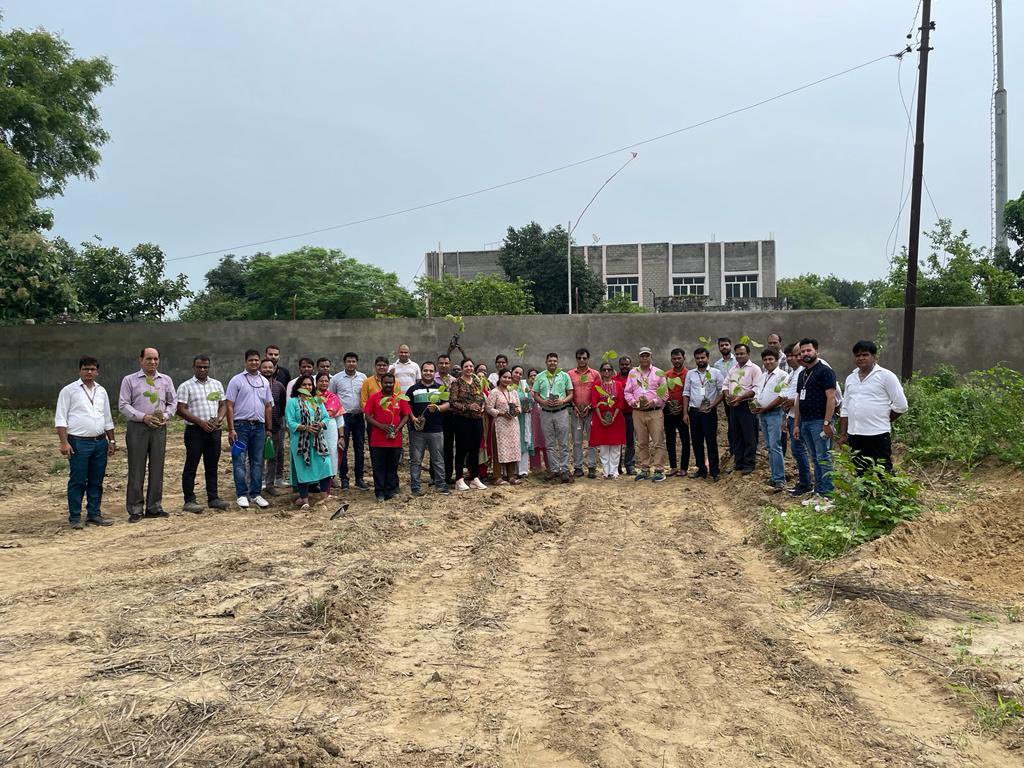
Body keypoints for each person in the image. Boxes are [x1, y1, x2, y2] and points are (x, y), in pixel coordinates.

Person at [55, 356, 117, 529]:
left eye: (92, 369)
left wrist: (111, 440)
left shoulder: (101, 391)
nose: (89, 372)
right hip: (78, 443)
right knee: (78, 480)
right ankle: (75, 517)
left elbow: (107, 418)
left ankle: (94, 514)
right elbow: (60, 418)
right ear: (79, 370)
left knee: (96, 481)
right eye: (85, 369)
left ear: (97, 371)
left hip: (99, 442)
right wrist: (64, 442)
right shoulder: (69, 390)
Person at [119, 347, 176, 522]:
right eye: (149, 359)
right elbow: (123, 405)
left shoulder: (165, 380)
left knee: (157, 468)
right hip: (138, 428)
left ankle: (154, 507)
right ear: (140, 360)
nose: (153, 362)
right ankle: (135, 509)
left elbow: (173, 402)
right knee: (136, 468)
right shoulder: (130, 380)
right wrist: (143, 417)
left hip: (159, 428)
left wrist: (165, 416)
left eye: (156, 359)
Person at [838, 340, 908, 473]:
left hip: (877, 434)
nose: (861, 358)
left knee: (882, 471)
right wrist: (843, 434)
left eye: (865, 355)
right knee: (860, 470)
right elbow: (845, 408)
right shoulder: (851, 378)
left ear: (874, 356)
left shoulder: (886, 376)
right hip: (855, 434)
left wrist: (885, 419)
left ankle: (886, 494)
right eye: (857, 356)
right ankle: (865, 495)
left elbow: (901, 405)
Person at [175, 355, 229, 513]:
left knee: (212, 466)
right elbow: (181, 409)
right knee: (191, 466)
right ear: (194, 367)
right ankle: (189, 500)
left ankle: (213, 498)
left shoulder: (216, 384)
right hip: (195, 431)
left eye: (205, 367)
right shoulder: (186, 386)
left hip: (214, 431)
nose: (203, 370)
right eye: (199, 367)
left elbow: (223, 404)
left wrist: (219, 419)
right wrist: (200, 422)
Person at [225, 349, 274, 509]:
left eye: (256, 360)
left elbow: (268, 406)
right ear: (245, 362)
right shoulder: (236, 380)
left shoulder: (264, 382)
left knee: (257, 462)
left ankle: (256, 494)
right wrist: (231, 429)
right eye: (251, 360)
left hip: (259, 427)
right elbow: (229, 405)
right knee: (239, 461)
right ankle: (241, 494)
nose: (254, 362)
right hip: (241, 426)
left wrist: (268, 428)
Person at [793, 338, 838, 502]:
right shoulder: (802, 374)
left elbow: (831, 398)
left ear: (816, 351)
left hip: (820, 421)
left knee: (823, 457)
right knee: (815, 458)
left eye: (808, 350)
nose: (805, 354)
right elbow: (798, 401)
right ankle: (819, 492)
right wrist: (797, 424)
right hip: (805, 422)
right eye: (802, 351)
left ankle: (828, 495)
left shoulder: (825, 371)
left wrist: (827, 423)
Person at [285, 374, 332, 509]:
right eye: (304, 384)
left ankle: (325, 495)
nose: (307, 387)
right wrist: (305, 428)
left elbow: (326, 417)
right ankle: (304, 499)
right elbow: (290, 422)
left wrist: (321, 425)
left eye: (310, 385)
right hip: (300, 441)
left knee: (325, 465)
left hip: (318, 440)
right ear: (298, 387)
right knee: (303, 468)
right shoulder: (292, 402)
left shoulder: (316, 400)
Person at [405, 361, 450, 495]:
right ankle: (415, 487)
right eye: (425, 370)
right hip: (417, 431)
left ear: (434, 372)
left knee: (438, 459)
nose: (428, 373)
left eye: (431, 371)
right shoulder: (413, 389)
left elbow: (447, 404)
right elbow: (407, 407)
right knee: (416, 460)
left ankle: (441, 485)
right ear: (421, 371)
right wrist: (413, 418)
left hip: (436, 430)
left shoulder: (440, 388)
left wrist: (437, 407)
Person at [365, 372, 412, 501]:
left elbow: (406, 415)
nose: (388, 385)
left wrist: (398, 428)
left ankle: (390, 491)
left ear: (394, 384)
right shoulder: (374, 398)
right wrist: (381, 426)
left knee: (392, 466)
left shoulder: (399, 398)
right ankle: (379, 492)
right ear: (381, 383)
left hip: (395, 440)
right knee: (378, 466)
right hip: (377, 440)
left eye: (391, 383)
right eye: (386, 382)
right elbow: (367, 416)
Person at [623, 346, 666, 482]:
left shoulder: (659, 373)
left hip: (654, 412)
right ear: (639, 357)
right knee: (642, 442)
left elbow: (665, 394)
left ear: (651, 357)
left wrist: (653, 402)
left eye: (647, 355)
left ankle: (659, 469)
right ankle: (644, 468)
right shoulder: (633, 373)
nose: (645, 358)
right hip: (638, 412)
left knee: (658, 441)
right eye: (642, 356)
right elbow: (627, 392)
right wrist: (634, 402)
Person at [682, 347, 725, 480]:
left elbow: (722, 392)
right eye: (698, 358)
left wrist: (713, 405)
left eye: (703, 357)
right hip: (694, 412)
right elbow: (686, 393)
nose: (700, 360)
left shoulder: (716, 373)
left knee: (711, 441)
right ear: (695, 359)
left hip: (709, 412)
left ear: (708, 358)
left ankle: (714, 471)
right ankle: (701, 469)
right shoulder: (690, 374)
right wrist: (685, 413)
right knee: (696, 441)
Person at [750, 349, 789, 491]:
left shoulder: (783, 376)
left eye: (771, 359)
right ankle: (774, 477)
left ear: (777, 360)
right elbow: (758, 393)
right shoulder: (763, 376)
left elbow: (782, 396)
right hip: (763, 414)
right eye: (765, 360)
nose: (768, 362)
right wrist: (755, 404)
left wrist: (765, 408)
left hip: (775, 413)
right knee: (769, 447)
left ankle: (780, 479)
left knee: (775, 446)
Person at [532, 352, 574, 483]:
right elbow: (535, 394)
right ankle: (554, 469)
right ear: (546, 362)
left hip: (561, 411)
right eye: (550, 361)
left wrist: (562, 401)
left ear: (558, 362)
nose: (552, 363)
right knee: (549, 444)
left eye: (555, 361)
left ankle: (565, 469)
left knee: (563, 444)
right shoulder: (539, 376)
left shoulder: (564, 376)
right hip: (545, 412)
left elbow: (571, 394)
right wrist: (543, 402)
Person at [329, 352, 368, 491]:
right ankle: (344, 479)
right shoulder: (336, 379)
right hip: (343, 418)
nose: (351, 364)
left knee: (359, 448)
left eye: (353, 361)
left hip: (358, 417)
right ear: (344, 363)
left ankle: (359, 479)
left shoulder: (363, 378)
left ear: (357, 363)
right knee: (342, 447)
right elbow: (332, 397)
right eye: (349, 361)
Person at [450, 358, 488, 491]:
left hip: (477, 420)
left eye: (471, 366)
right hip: (462, 420)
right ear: (462, 368)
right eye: (466, 366)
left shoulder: (477, 381)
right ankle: (459, 479)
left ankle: (474, 478)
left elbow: (481, 396)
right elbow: (453, 402)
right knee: (461, 449)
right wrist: (468, 407)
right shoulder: (457, 383)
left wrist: (482, 406)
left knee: (475, 449)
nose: (469, 368)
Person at [723, 343, 761, 475]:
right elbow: (725, 385)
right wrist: (728, 397)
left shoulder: (754, 369)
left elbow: (756, 388)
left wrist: (740, 398)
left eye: (742, 353)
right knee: (736, 434)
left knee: (749, 435)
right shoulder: (733, 369)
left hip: (747, 405)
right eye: (737, 354)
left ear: (748, 354)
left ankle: (749, 463)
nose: (739, 356)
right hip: (734, 406)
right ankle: (738, 462)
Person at [780, 343, 813, 495]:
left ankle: (807, 483)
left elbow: (802, 396)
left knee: (802, 450)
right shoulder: (793, 374)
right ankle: (804, 481)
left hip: (803, 417)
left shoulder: (806, 371)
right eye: (788, 356)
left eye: (795, 355)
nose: (791, 358)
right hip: (792, 415)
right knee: (797, 450)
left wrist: (792, 402)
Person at [485, 368, 522, 485]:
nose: (507, 380)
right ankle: (497, 477)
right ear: (499, 378)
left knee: (512, 449)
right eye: (504, 377)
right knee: (499, 450)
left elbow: (519, 407)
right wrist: (501, 413)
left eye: (509, 378)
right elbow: (489, 409)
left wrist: (517, 411)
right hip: (500, 425)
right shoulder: (494, 392)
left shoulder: (513, 392)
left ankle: (511, 476)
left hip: (513, 424)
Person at [590, 361, 626, 479]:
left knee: (616, 446)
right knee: (604, 446)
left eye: (609, 370)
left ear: (612, 372)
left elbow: (620, 403)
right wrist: (601, 418)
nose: (606, 372)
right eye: (604, 370)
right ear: (600, 372)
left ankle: (614, 471)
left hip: (616, 418)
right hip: (600, 418)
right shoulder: (596, 385)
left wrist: (614, 417)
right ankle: (606, 472)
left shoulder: (618, 385)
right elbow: (594, 403)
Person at [568, 348, 599, 478]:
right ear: (576, 359)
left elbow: (598, 392)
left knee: (592, 440)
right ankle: (578, 467)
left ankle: (592, 467)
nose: (582, 360)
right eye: (579, 358)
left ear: (588, 359)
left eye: (584, 358)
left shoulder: (595, 374)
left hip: (591, 411)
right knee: (577, 441)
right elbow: (567, 392)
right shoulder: (569, 374)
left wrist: (590, 406)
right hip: (575, 412)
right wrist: (573, 406)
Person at [260, 358, 288, 496]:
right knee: (256, 457)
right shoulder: (256, 385)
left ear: (275, 369)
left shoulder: (279, 387)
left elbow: (282, 406)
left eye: (270, 367)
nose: (267, 370)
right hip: (258, 426)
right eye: (264, 367)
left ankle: (270, 485)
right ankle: (256, 484)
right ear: (260, 369)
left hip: (276, 427)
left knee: (273, 456)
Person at [662, 348, 690, 478]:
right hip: (669, 411)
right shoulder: (666, 375)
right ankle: (673, 467)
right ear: (671, 359)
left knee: (685, 439)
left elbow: (690, 393)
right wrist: (668, 404)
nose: (677, 361)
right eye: (674, 358)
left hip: (684, 410)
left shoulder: (689, 374)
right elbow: (663, 393)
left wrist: (684, 409)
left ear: (684, 358)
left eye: (679, 358)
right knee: (670, 439)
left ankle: (684, 467)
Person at [315, 371, 343, 493]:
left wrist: (341, 435)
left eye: (326, 381)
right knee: (316, 453)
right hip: (314, 428)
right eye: (321, 381)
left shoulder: (333, 397)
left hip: (330, 428)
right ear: (316, 383)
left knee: (331, 452)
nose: (324, 383)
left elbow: (340, 419)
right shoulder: (311, 398)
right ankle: (315, 481)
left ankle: (329, 480)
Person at [714, 337, 739, 465]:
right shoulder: (717, 365)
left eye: (726, 345)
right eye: (722, 345)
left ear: (730, 345)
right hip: (725, 398)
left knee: (740, 423)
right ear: (719, 348)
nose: (724, 347)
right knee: (731, 422)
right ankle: (733, 448)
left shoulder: (737, 360)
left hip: (739, 398)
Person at [434, 353, 458, 486]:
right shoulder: (432, 378)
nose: (444, 365)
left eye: (446, 363)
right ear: (438, 364)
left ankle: (448, 476)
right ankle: (434, 476)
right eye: (441, 363)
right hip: (435, 415)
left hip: (450, 417)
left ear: (449, 364)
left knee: (448, 446)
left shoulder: (454, 380)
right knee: (435, 447)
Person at [511, 365, 533, 478]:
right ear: (511, 372)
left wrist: (529, 405)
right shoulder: (507, 384)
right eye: (516, 372)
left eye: (520, 373)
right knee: (512, 443)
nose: (518, 375)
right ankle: (511, 471)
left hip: (523, 417)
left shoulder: (524, 385)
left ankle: (523, 470)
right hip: (511, 418)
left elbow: (530, 400)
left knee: (523, 442)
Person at [616, 355, 636, 475]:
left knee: (630, 441)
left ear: (630, 365)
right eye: (622, 364)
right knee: (617, 441)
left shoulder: (634, 378)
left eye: (626, 364)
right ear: (619, 366)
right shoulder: (614, 378)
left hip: (631, 413)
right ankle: (616, 466)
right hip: (617, 414)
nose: (624, 366)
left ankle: (629, 465)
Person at [527, 368, 548, 473]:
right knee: (534, 440)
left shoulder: (544, 389)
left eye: (535, 375)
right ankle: (535, 467)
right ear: (528, 378)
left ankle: (550, 465)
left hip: (545, 418)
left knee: (546, 441)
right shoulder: (527, 390)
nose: (533, 377)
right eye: (531, 376)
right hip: (532, 419)